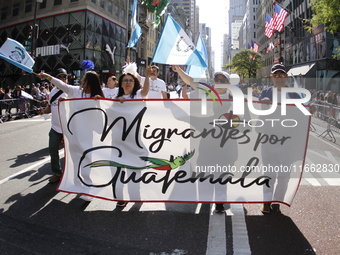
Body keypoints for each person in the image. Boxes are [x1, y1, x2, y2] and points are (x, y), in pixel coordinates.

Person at [172, 65, 234, 213]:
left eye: (223, 80)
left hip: (226, 143)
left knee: (222, 173)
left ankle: (220, 202)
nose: (219, 82)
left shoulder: (235, 98)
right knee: (204, 170)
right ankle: (205, 199)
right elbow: (190, 81)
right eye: (217, 80)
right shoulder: (207, 93)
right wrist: (179, 70)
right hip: (206, 140)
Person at [114, 66, 152, 207]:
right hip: (117, 142)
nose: (128, 82)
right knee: (118, 171)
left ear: (134, 82)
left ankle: (135, 197)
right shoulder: (114, 98)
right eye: (125, 80)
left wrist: (147, 76)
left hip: (135, 141)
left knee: (134, 171)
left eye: (131, 80)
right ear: (121, 83)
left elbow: (145, 91)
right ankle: (120, 198)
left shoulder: (138, 96)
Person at [39, 68, 67, 183]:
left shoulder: (71, 90)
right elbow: (49, 108)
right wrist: (43, 111)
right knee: (52, 150)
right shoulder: (52, 92)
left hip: (68, 129)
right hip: (55, 128)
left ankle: (71, 174)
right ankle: (57, 172)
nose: (62, 79)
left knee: (71, 153)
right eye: (59, 77)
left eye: (64, 77)